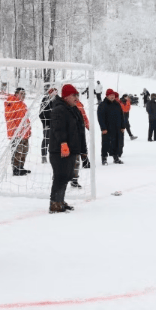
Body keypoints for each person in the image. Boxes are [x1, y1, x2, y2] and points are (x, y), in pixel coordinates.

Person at [47, 84, 87, 213]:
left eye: (77, 95)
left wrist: (83, 150)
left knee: (67, 176)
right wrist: (63, 143)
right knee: (60, 176)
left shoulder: (75, 109)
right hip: (59, 150)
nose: (76, 97)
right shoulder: (59, 109)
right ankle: (55, 203)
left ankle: (60, 201)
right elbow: (58, 129)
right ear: (66, 96)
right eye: (74, 95)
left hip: (72, 149)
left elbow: (81, 131)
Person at [4, 87, 32, 176]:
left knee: (24, 150)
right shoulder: (11, 102)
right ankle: (16, 169)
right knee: (17, 150)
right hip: (16, 132)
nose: (23, 96)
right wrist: (15, 130)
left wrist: (28, 129)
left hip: (24, 132)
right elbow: (9, 117)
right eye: (21, 94)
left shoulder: (23, 104)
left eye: (24, 94)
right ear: (16, 94)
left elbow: (26, 118)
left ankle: (21, 167)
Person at [97, 89, 126, 165]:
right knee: (105, 143)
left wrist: (123, 126)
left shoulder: (117, 104)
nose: (112, 97)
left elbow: (122, 116)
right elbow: (100, 118)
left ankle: (115, 157)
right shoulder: (102, 105)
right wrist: (103, 128)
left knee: (116, 142)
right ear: (107, 96)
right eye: (110, 95)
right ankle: (104, 158)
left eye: (113, 95)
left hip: (117, 127)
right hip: (107, 128)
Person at [39, 86, 57, 163]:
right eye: (54, 92)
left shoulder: (57, 100)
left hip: (56, 125)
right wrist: (45, 123)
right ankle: (44, 156)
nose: (56, 94)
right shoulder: (45, 100)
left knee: (56, 140)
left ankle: (54, 156)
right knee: (46, 140)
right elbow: (41, 114)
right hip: (47, 124)